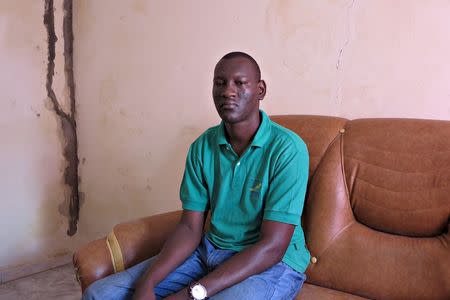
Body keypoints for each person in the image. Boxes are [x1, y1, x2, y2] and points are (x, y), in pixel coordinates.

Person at [83, 52, 310, 300]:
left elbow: (272, 247)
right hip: (209, 251)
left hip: (272, 264)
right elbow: (190, 228)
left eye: (240, 83)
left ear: (260, 90)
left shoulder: (288, 149)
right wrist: (147, 283)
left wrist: (193, 293)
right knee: (99, 294)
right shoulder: (203, 147)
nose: (227, 91)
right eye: (220, 83)